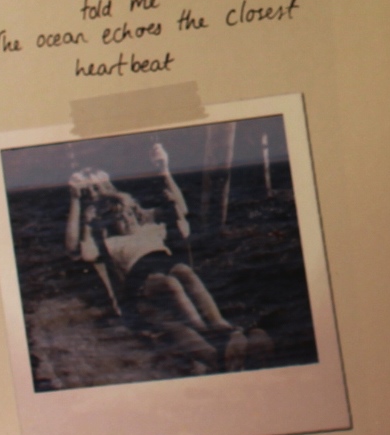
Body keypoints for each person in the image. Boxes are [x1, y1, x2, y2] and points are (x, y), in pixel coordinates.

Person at [64, 146, 269, 374]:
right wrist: (78, 206)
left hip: (166, 268)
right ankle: (209, 332)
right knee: (169, 286)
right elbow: (77, 250)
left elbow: (180, 209)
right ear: (109, 220)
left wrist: (165, 171)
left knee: (183, 272)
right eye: (119, 218)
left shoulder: (146, 226)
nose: (127, 219)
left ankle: (220, 328)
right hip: (141, 286)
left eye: (129, 214)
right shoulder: (110, 242)